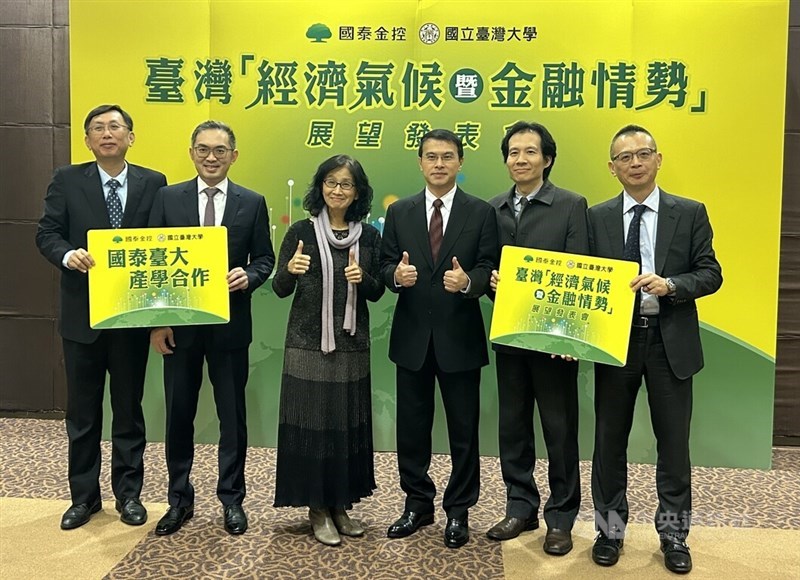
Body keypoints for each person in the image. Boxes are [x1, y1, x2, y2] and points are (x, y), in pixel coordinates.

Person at [588, 125, 722, 574]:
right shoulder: (596, 217)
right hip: (615, 343)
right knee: (608, 442)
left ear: (659, 159)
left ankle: (673, 534)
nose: (635, 163)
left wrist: (672, 285)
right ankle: (609, 530)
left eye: (643, 154)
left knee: (673, 445)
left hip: (671, 342)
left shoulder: (689, 213)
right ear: (612, 168)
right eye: (624, 158)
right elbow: (584, 280)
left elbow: (710, 273)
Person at [36, 104, 167, 530]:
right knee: (83, 413)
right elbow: (47, 233)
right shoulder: (67, 180)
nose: (107, 134)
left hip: (131, 317)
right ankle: (84, 498)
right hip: (82, 318)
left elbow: (162, 243)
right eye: (98, 128)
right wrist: (66, 254)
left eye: (115, 127)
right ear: (88, 140)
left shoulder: (153, 182)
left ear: (131, 136)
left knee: (128, 410)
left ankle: (129, 496)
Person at [148, 120, 274, 536]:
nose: (211, 157)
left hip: (229, 327)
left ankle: (232, 500)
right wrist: (157, 324)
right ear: (191, 153)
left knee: (231, 417)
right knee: (178, 415)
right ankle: (179, 501)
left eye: (220, 150)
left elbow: (265, 259)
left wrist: (250, 277)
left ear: (233, 156)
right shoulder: (167, 198)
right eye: (203, 149)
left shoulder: (252, 202)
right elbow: (153, 264)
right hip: (179, 329)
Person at [380, 129, 498, 549]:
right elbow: (384, 265)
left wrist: (469, 283)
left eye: (448, 156)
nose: (439, 164)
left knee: (463, 430)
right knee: (411, 428)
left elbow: (489, 267)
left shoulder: (481, 212)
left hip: (460, 338)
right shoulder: (401, 212)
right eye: (431, 156)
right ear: (420, 163)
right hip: (412, 338)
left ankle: (459, 510)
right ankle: (417, 503)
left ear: (460, 162)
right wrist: (396, 275)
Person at [485, 121, 588, 555]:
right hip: (510, 335)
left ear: (547, 158)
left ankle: (561, 517)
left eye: (530, 152)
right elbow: (487, 265)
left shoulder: (570, 205)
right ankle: (520, 505)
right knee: (512, 426)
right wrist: (489, 280)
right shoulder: (493, 208)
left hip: (556, 343)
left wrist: (572, 339)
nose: (520, 160)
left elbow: (581, 271)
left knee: (559, 429)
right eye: (513, 152)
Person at [272, 154, 384, 546]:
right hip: (306, 345)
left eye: (346, 184)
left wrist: (364, 277)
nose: (338, 190)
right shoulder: (301, 231)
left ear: (358, 193)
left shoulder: (368, 236)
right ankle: (317, 508)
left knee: (344, 427)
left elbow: (377, 290)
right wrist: (291, 270)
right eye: (331, 182)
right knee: (314, 428)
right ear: (320, 187)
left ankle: (340, 505)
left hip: (352, 346)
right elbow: (279, 288)